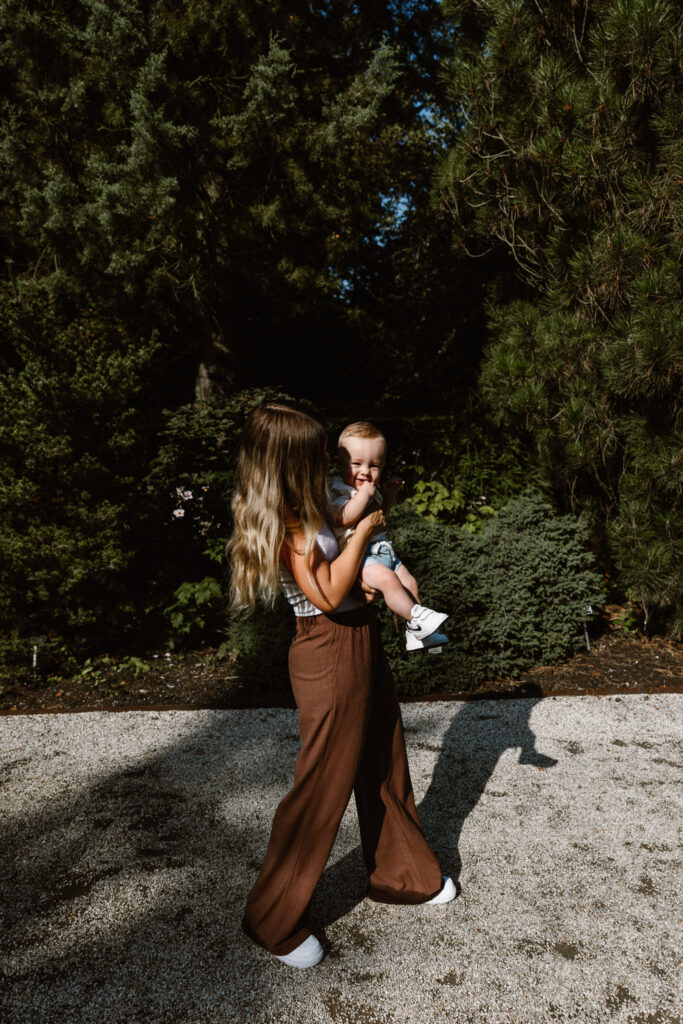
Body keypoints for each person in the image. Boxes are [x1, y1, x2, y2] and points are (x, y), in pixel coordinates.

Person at [226, 402, 456, 970]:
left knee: (383, 760)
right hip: (326, 649)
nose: (326, 458)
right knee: (322, 784)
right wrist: (369, 532)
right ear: (286, 457)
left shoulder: (318, 500)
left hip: (361, 638)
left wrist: (374, 570)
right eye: (313, 450)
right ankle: (272, 917)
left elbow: (351, 572)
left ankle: (403, 874)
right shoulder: (281, 516)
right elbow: (326, 593)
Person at [331, 421, 449, 651]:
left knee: (410, 583)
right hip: (362, 558)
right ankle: (417, 617)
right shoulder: (338, 489)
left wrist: (388, 497)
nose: (365, 471)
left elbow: (380, 516)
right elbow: (343, 518)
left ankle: (415, 633)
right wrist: (364, 495)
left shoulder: (368, 489)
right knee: (388, 582)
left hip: (386, 552)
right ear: (339, 463)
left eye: (374, 466)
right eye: (357, 464)